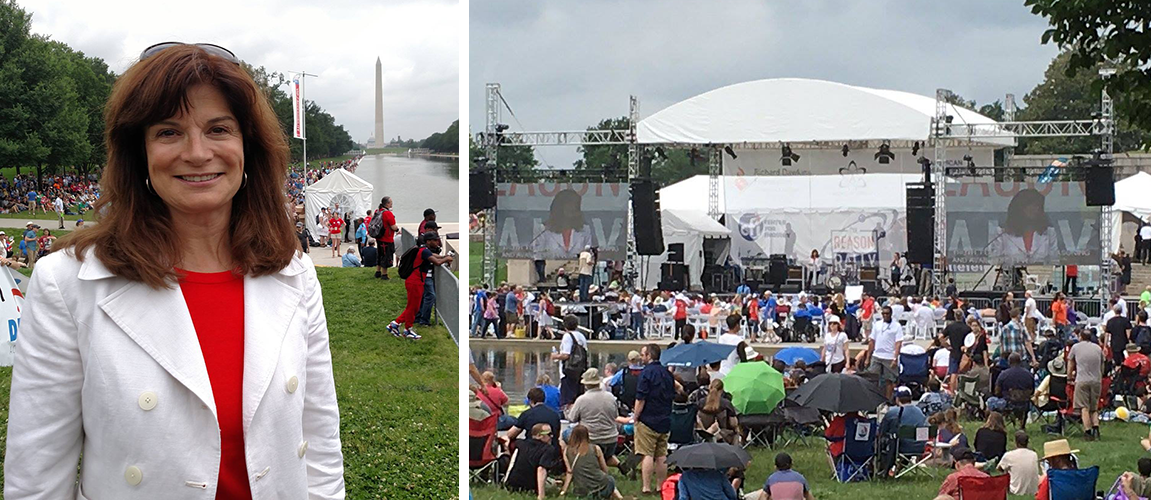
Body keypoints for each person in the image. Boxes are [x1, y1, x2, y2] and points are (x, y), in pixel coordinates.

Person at [5, 43, 345, 498]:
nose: (198, 152)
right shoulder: (66, 284)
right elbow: (37, 476)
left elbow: (318, 439)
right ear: (138, 153)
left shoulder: (295, 273)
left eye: (218, 128)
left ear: (249, 147)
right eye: (169, 132)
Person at [385, 232, 453, 340]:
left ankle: (395, 324)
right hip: (415, 282)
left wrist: (444, 256)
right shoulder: (425, 251)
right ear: (428, 241)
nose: (437, 242)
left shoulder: (423, 250)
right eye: (435, 240)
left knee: (413, 307)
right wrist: (447, 259)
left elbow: (435, 256)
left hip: (415, 281)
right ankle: (406, 329)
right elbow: (437, 262)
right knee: (413, 307)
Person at [635, 343, 675, 495]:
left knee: (648, 454)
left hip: (648, 419)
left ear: (649, 356)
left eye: (643, 354)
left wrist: (636, 416)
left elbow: (641, 398)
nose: (641, 357)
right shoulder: (667, 373)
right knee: (661, 454)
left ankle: (646, 487)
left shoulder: (645, 373)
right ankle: (661, 486)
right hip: (664, 418)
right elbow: (675, 390)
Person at [567, 368, 621, 466]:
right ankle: (617, 463)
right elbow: (615, 416)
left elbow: (572, 418)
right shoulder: (610, 397)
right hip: (611, 439)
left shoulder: (582, 399)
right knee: (607, 456)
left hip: (591, 439)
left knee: (565, 435)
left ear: (586, 384)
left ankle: (572, 464)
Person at [559, 424, 622, 499]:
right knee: (609, 479)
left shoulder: (566, 451)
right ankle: (619, 497)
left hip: (581, 491)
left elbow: (569, 472)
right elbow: (605, 469)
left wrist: (563, 491)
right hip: (601, 485)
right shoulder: (595, 448)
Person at [504, 423, 559, 500]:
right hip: (531, 486)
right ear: (539, 435)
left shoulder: (520, 443)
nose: (551, 436)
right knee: (552, 485)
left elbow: (506, 441)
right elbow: (541, 470)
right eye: (549, 434)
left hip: (512, 485)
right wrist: (541, 495)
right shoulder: (548, 449)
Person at [1068, 327, 1105, 440]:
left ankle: (1088, 431)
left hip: (1082, 380)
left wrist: (1069, 376)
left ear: (1081, 337)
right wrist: (1100, 376)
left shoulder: (1076, 347)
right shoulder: (1098, 348)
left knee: (1084, 407)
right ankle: (1096, 429)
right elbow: (1102, 365)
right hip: (1096, 380)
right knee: (1094, 408)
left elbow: (1070, 363)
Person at [867, 306, 903, 399]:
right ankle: (873, 399)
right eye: (883, 313)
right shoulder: (877, 324)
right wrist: (868, 357)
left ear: (891, 314)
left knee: (889, 380)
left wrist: (895, 358)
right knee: (873, 379)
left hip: (889, 357)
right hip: (876, 355)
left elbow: (898, 343)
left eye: (887, 313)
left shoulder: (896, 326)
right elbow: (872, 341)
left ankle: (888, 400)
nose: (885, 315)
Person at [552, 315, 589, 407]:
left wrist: (555, 356)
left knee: (567, 399)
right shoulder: (581, 336)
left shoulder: (567, 336)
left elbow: (566, 355)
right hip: (580, 369)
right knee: (578, 396)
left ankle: (568, 416)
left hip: (568, 370)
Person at [997, 430, 1040, 497]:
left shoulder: (1009, 455)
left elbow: (999, 469)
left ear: (1016, 442)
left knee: (1006, 471)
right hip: (1033, 490)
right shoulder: (1034, 454)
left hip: (1015, 491)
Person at [374, 197, 398, 279]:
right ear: (387, 203)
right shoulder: (388, 213)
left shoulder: (378, 211)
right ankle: (384, 274)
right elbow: (393, 226)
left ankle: (378, 271)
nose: (391, 204)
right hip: (387, 238)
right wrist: (398, 229)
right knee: (386, 255)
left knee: (380, 254)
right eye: (390, 202)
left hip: (379, 237)